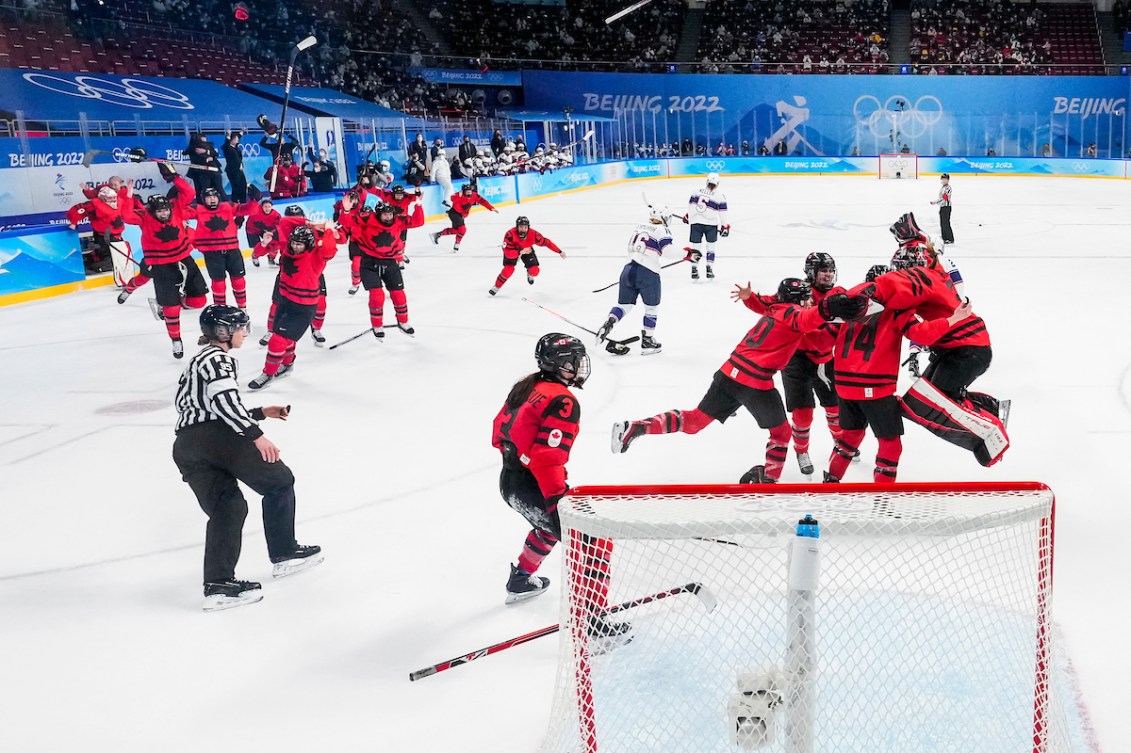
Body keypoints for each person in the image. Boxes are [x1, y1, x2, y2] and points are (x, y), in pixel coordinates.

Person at [611, 278, 861, 482]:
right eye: (806, 297)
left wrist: (751, 298)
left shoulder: (775, 308)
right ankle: (768, 483)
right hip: (755, 381)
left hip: (728, 372)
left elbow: (769, 305)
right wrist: (829, 309)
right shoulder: (794, 314)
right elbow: (808, 319)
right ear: (797, 300)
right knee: (782, 433)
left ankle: (638, 426)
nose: (809, 301)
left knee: (695, 421)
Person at [174, 305, 323, 612]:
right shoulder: (218, 359)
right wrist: (256, 435)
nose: (245, 333)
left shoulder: (199, 360)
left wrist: (259, 413)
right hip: (216, 439)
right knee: (280, 481)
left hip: (187, 447)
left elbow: (211, 404)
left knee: (229, 508)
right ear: (224, 333)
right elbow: (224, 402)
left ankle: (218, 585)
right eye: (240, 328)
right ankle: (284, 554)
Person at [491, 334, 631, 647]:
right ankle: (594, 624)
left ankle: (520, 581)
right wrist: (556, 499)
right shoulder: (562, 400)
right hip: (534, 485)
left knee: (548, 528)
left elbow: (500, 432)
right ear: (560, 364)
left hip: (512, 481)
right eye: (575, 361)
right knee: (594, 540)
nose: (580, 366)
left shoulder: (527, 386)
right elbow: (547, 457)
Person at [823, 265, 968, 484]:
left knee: (849, 438)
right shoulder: (896, 307)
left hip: (844, 384)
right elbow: (921, 335)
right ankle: (883, 500)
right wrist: (952, 320)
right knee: (890, 444)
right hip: (874, 386)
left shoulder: (849, 305)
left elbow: (823, 339)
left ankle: (829, 485)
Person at [121, 167, 208, 359]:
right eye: (160, 211)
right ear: (152, 211)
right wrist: (127, 195)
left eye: (165, 209)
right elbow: (126, 216)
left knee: (199, 301)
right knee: (170, 307)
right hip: (161, 266)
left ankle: (174, 302)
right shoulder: (145, 217)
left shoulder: (176, 209)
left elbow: (190, 192)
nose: (164, 213)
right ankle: (176, 339)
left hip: (185, 261)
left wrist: (174, 176)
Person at [595, 207, 700, 355]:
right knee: (651, 308)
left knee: (624, 305)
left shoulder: (638, 227)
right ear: (664, 218)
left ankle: (610, 321)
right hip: (647, 272)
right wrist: (687, 253)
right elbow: (668, 252)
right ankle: (648, 341)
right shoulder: (661, 230)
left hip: (627, 270)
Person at [249, 223, 340, 389]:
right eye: (294, 242)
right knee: (286, 339)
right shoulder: (286, 249)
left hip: (304, 307)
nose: (295, 247)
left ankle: (268, 374)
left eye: (300, 244)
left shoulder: (316, 257)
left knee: (277, 340)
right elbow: (285, 222)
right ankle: (288, 364)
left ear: (309, 244)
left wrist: (327, 231)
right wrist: (307, 223)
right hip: (285, 300)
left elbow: (329, 249)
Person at [339, 194, 424, 339]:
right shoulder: (367, 218)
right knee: (377, 295)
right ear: (378, 214)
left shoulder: (398, 220)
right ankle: (377, 325)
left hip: (390, 262)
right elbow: (347, 223)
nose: (388, 217)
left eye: (390, 214)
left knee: (399, 294)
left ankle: (403, 322)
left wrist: (418, 206)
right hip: (369, 262)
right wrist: (346, 211)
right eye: (385, 214)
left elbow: (418, 222)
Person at [191, 187, 254, 308]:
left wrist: (254, 200)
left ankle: (242, 307)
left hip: (232, 250)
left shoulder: (228, 206)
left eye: (214, 197)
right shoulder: (198, 209)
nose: (212, 200)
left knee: (239, 280)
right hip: (212, 253)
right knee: (218, 282)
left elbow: (248, 209)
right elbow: (179, 213)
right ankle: (220, 309)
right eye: (209, 197)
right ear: (203, 200)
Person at [67, 180, 130, 285]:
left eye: (114, 197)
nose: (113, 200)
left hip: (117, 235)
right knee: (112, 256)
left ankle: (122, 276)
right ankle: (94, 266)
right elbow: (78, 210)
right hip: (104, 236)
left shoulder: (119, 201)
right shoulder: (94, 205)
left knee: (120, 256)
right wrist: (73, 222)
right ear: (103, 198)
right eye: (110, 198)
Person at [489, 216, 565, 296]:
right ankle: (496, 287)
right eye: (521, 227)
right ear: (517, 227)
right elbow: (507, 252)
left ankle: (529, 273)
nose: (523, 229)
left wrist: (559, 251)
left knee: (535, 271)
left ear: (528, 227)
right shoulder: (510, 234)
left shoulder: (534, 235)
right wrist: (519, 252)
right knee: (508, 270)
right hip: (513, 250)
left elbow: (547, 243)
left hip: (527, 250)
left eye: (525, 227)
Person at [682, 171, 730, 280]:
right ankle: (709, 269)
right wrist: (724, 226)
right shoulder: (719, 195)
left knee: (695, 247)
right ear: (717, 183)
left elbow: (691, 206)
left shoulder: (696, 190)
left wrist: (688, 216)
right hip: (711, 225)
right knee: (711, 248)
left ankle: (694, 269)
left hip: (696, 223)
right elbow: (723, 212)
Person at [429, 181, 498, 253]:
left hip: (461, 215)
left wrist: (491, 208)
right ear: (464, 192)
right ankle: (457, 243)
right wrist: (458, 195)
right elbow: (452, 198)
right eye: (467, 192)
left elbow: (483, 201)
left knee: (456, 230)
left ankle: (437, 234)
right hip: (454, 213)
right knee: (462, 229)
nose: (469, 193)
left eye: (470, 191)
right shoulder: (459, 195)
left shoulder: (474, 195)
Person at [185, 132, 225, 198]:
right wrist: (206, 159)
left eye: (205, 141)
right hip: (199, 172)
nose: (204, 143)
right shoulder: (193, 149)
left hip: (213, 170)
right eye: (202, 141)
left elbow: (215, 154)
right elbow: (196, 160)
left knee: (218, 188)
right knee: (201, 190)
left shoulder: (209, 146)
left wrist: (206, 152)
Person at [247, 196, 282, 267]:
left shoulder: (276, 215)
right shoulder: (255, 211)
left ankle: (271, 258)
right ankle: (255, 256)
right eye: (265, 206)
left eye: (269, 206)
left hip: (266, 230)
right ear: (261, 206)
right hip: (252, 230)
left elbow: (279, 225)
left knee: (275, 243)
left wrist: (273, 231)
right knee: (257, 246)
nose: (267, 208)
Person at [221, 130, 248, 203]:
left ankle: (243, 201)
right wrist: (228, 135)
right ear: (231, 139)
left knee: (243, 185)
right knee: (236, 186)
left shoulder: (236, 148)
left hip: (239, 170)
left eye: (237, 139)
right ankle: (235, 201)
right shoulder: (227, 148)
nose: (237, 140)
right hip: (232, 170)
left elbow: (238, 137)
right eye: (235, 138)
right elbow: (226, 144)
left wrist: (241, 132)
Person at [930, 173, 954, 244]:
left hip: (946, 207)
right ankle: (945, 237)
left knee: (946, 223)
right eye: (943, 179)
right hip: (942, 207)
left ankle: (950, 238)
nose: (944, 180)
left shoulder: (947, 188)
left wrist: (935, 202)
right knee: (942, 223)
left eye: (945, 179)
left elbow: (944, 198)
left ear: (948, 180)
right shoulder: (943, 187)